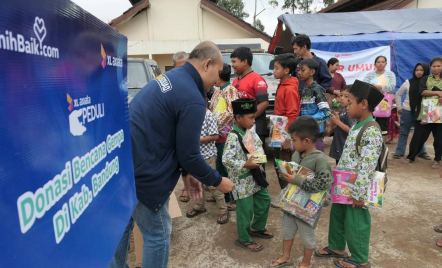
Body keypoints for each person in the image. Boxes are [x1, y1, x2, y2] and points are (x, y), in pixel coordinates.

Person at [108, 41, 235, 268]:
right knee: (157, 233)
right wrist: (218, 181)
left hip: (124, 165)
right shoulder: (192, 99)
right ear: (207, 64)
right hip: (145, 174)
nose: (217, 80)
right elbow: (189, 154)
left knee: (123, 225)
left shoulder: (172, 79)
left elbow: (175, 140)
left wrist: (190, 174)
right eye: (217, 73)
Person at [315, 80, 384, 268]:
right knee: (338, 216)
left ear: (364, 104)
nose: (347, 104)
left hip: (356, 189)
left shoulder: (371, 130)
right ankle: (337, 247)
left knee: (357, 222)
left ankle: (359, 258)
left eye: (351, 101)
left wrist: (359, 194)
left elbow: (367, 165)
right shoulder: (357, 125)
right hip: (343, 184)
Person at [268, 116, 333, 268]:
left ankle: (306, 262)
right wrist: (285, 172)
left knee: (307, 236)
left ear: (307, 141)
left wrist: (297, 180)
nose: (291, 142)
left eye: (294, 139)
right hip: (291, 202)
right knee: (287, 230)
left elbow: (325, 183)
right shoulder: (296, 154)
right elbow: (295, 173)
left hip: (307, 208)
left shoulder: (320, 159)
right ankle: (285, 256)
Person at [223, 98, 273, 252]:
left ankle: (257, 227)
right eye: (251, 118)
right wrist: (246, 164)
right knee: (246, 210)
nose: (254, 121)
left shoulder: (250, 131)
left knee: (265, 200)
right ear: (238, 118)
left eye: (254, 117)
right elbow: (227, 160)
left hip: (255, 178)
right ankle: (244, 238)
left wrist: (259, 164)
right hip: (241, 182)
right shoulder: (233, 137)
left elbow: (258, 148)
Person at [185, 106, 230, 224]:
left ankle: (223, 210)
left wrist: (196, 140)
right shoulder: (192, 114)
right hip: (195, 156)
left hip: (207, 156)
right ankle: (199, 206)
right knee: (195, 183)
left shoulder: (209, 115)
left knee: (213, 184)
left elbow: (215, 136)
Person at [209, 63, 240, 211]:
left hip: (226, 136)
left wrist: (215, 125)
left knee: (228, 166)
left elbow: (231, 112)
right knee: (219, 166)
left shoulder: (231, 90)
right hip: (217, 136)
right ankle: (223, 194)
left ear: (220, 76)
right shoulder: (217, 91)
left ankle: (233, 197)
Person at [402, 56, 442, 169]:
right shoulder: (426, 79)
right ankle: (411, 157)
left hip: (441, 113)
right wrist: (439, 93)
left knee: (439, 138)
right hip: (426, 111)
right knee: (418, 136)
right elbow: (422, 91)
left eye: (439, 66)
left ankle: (437, 159)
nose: (436, 68)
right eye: (434, 66)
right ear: (430, 67)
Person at [272, 53, 300, 190]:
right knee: (279, 163)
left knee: (285, 165)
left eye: (276, 68)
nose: (274, 71)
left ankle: (288, 194)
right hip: (278, 129)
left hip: (284, 133)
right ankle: (285, 193)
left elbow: (292, 114)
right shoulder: (283, 85)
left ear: (286, 70)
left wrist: (288, 137)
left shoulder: (289, 89)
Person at [230, 47, 269, 145]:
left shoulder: (257, 79)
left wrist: (249, 119)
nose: (232, 65)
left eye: (234, 62)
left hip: (256, 128)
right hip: (240, 129)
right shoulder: (234, 81)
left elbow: (264, 103)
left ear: (244, 62)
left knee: (256, 159)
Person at [393, 62, 430, 159]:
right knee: (404, 132)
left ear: (426, 71)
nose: (419, 72)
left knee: (420, 133)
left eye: (421, 70)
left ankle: (422, 152)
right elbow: (398, 94)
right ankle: (399, 151)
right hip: (407, 111)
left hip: (422, 111)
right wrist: (399, 107)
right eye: (417, 70)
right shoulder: (408, 82)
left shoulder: (428, 83)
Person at [297, 58, 331, 152]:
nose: (299, 72)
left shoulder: (317, 89)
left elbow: (327, 112)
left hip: (315, 135)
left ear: (312, 72)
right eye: (298, 70)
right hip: (305, 133)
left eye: (303, 70)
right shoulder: (303, 90)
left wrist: (308, 120)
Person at [363, 55, 397, 141]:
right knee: (370, 121)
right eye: (378, 62)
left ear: (386, 64)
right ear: (375, 64)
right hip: (371, 101)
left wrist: (380, 87)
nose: (380, 64)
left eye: (382, 62)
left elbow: (392, 86)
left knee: (383, 123)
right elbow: (365, 85)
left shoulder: (390, 74)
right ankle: (370, 141)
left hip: (384, 103)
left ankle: (382, 144)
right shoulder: (370, 75)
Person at [173, 51, 191, 202]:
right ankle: (186, 187)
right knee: (181, 160)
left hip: (196, 126)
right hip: (177, 127)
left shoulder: (197, 81)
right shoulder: (170, 83)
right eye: (179, 67)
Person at [329, 85, 356, 165]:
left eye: (346, 96)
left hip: (345, 149)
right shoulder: (344, 109)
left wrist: (338, 122)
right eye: (341, 95)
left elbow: (352, 131)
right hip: (341, 147)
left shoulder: (350, 112)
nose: (342, 98)